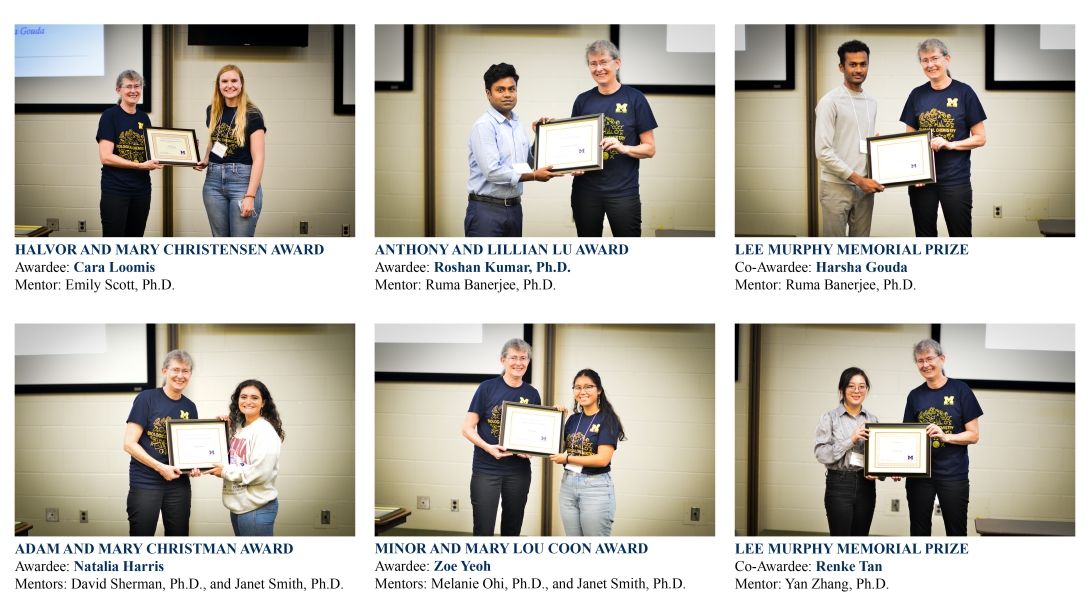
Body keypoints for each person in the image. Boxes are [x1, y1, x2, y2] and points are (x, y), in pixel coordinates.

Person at [568, 39, 657, 237]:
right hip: (585, 193)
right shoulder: (582, 100)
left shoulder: (635, 99)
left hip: (623, 193)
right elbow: (575, 146)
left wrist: (624, 147)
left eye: (603, 62)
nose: (598, 68)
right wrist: (573, 163)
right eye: (593, 63)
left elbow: (650, 149)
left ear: (617, 63)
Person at [900, 39, 987, 237]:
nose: (930, 64)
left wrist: (951, 144)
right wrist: (915, 173)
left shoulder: (965, 92)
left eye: (934, 58)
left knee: (960, 237)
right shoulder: (916, 95)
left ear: (946, 59)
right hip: (923, 182)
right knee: (925, 238)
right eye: (924, 60)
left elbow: (980, 138)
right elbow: (910, 140)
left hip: (955, 180)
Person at [466, 63, 562, 237]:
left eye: (512, 89)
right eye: (500, 90)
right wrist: (534, 176)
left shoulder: (516, 125)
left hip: (514, 209)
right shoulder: (484, 126)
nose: (508, 94)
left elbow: (528, 163)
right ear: (489, 94)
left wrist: (540, 135)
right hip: (486, 211)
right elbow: (493, 172)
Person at [460, 338, 542, 536]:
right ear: (502, 360)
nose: (518, 363)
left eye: (523, 358)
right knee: (483, 530)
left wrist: (530, 449)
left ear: (528, 362)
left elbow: (534, 432)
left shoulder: (532, 394)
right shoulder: (487, 388)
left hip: (518, 473)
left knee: (512, 531)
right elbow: (467, 428)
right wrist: (488, 447)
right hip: (486, 470)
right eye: (513, 357)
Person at [903, 339, 982, 536]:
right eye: (920, 361)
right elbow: (907, 439)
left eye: (929, 359)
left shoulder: (961, 390)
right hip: (919, 476)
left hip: (953, 475)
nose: (925, 365)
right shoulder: (914, 396)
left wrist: (945, 437)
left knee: (956, 533)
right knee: (919, 532)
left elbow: (973, 435)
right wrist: (900, 466)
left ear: (942, 359)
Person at [122, 349, 201, 536]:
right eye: (175, 370)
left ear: (190, 374)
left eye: (185, 371)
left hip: (178, 486)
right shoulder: (146, 398)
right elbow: (129, 444)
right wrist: (160, 467)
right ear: (164, 371)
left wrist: (195, 467)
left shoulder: (190, 407)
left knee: (178, 540)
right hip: (145, 483)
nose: (180, 375)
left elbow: (192, 448)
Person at [814, 367, 898, 536]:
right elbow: (821, 453)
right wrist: (851, 440)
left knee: (860, 540)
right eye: (851, 386)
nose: (856, 391)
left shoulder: (872, 420)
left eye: (862, 386)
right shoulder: (829, 418)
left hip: (866, 486)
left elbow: (878, 457)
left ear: (866, 390)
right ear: (842, 389)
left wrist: (888, 471)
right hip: (839, 484)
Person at [815, 40, 883, 237]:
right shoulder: (830, 102)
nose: (859, 69)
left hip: (865, 190)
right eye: (853, 64)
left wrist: (877, 148)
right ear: (841, 67)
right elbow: (823, 152)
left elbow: (858, 141)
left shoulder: (872, 102)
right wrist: (858, 180)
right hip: (836, 187)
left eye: (863, 64)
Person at [549, 369, 626, 536]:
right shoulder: (573, 419)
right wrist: (556, 419)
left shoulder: (607, 419)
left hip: (595, 487)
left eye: (588, 387)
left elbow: (602, 459)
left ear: (599, 390)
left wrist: (568, 458)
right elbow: (556, 450)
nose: (582, 391)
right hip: (568, 486)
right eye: (577, 387)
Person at [203, 380, 284, 536]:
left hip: (256, 508)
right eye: (244, 397)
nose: (248, 401)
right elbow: (233, 458)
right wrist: (219, 429)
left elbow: (259, 473)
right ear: (237, 400)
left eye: (254, 397)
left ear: (263, 403)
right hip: (239, 506)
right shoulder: (239, 428)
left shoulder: (264, 431)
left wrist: (225, 471)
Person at [195, 64, 266, 237]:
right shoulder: (212, 110)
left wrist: (250, 196)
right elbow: (215, 140)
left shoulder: (252, 113)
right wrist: (206, 159)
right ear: (218, 85)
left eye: (234, 81)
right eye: (224, 81)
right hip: (213, 182)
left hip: (242, 182)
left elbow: (259, 158)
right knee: (220, 242)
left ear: (241, 83)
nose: (229, 85)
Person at [96, 69, 162, 237]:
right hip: (116, 190)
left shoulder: (144, 118)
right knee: (114, 239)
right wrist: (139, 166)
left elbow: (150, 153)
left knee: (135, 239)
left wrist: (185, 148)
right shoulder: (109, 116)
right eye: (128, 86)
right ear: (119, 90)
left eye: (137, 86)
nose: (133, 90)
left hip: (141, 191)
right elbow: (106, 157)